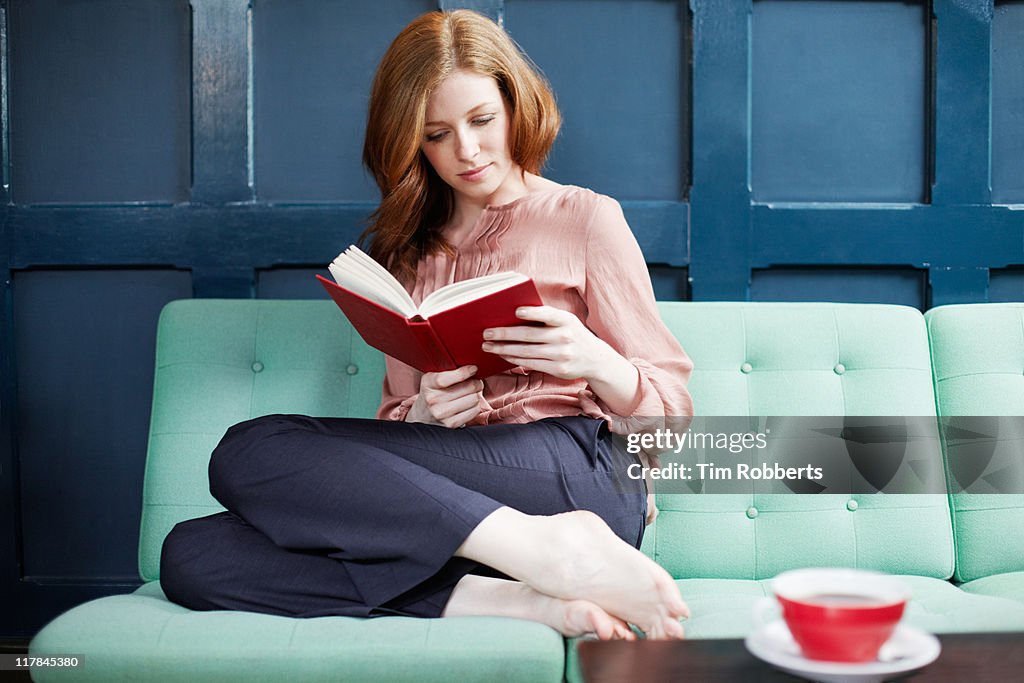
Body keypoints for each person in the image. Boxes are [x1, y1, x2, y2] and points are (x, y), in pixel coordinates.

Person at [160, 9, 694, 641]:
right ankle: (528, 596)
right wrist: (423, 417)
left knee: (251, 446)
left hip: (573, 469)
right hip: (455, 494)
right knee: (192, 555)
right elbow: (393, 438)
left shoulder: (585, 219)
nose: (466, 151)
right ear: (410, 141)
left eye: (482, 121)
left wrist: (595, 360)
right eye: (437, 134)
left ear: (515, 105)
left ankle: (561, 545)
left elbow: (676, 419)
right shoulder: (408, 253)